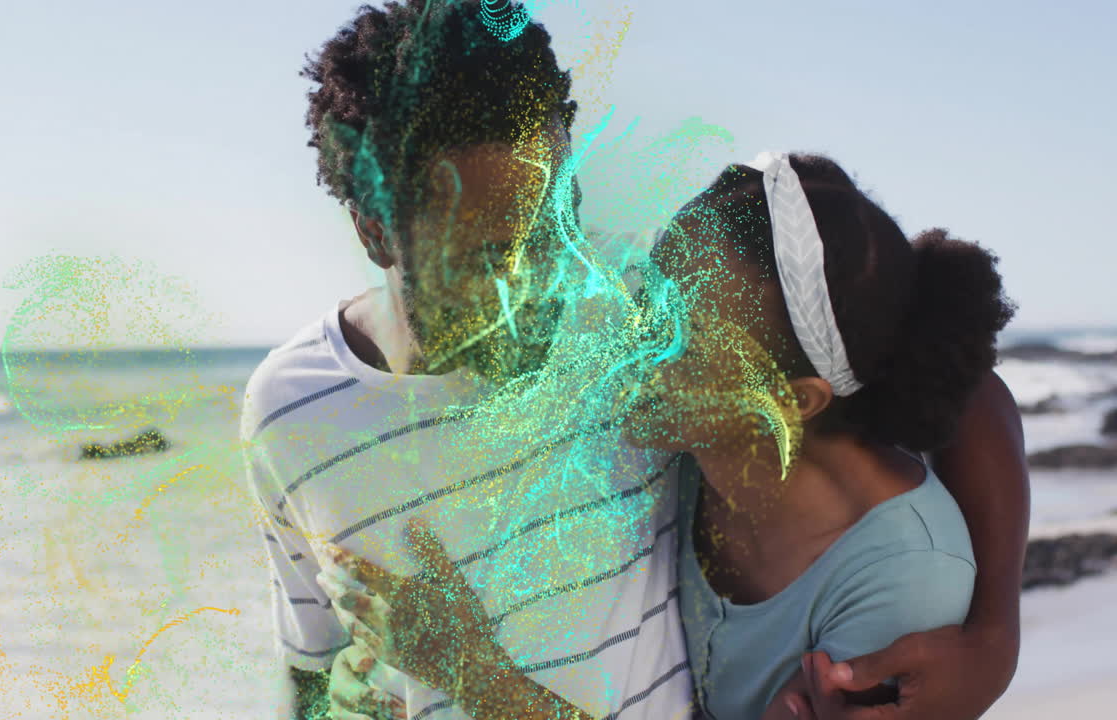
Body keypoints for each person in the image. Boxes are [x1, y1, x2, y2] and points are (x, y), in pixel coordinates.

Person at [248, 2, 1029, 719]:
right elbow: (309, 672)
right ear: (376, 231)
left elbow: (938, 374)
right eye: (491, 255)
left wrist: (994, 637)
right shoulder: (288, 412)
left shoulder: (637, 313)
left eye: (559, 218)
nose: (548, 279)